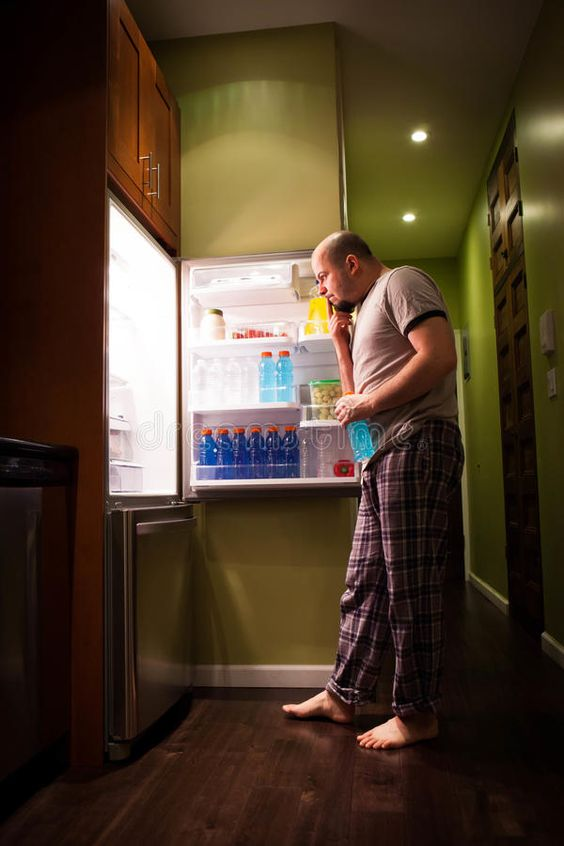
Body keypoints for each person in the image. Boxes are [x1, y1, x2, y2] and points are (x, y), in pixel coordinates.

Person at [283, 231, 464, 749]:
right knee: (363, 584)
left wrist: (365, 405)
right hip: (382, 458)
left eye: (323, 276)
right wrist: (341, 346)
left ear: (352, 263)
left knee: (410, 586)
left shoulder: (400, 283)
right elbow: (354, 407)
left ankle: (417, 715)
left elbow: (439, 356)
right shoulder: (363, 317)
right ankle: (343, 697)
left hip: (418, 445)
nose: (321, 288)